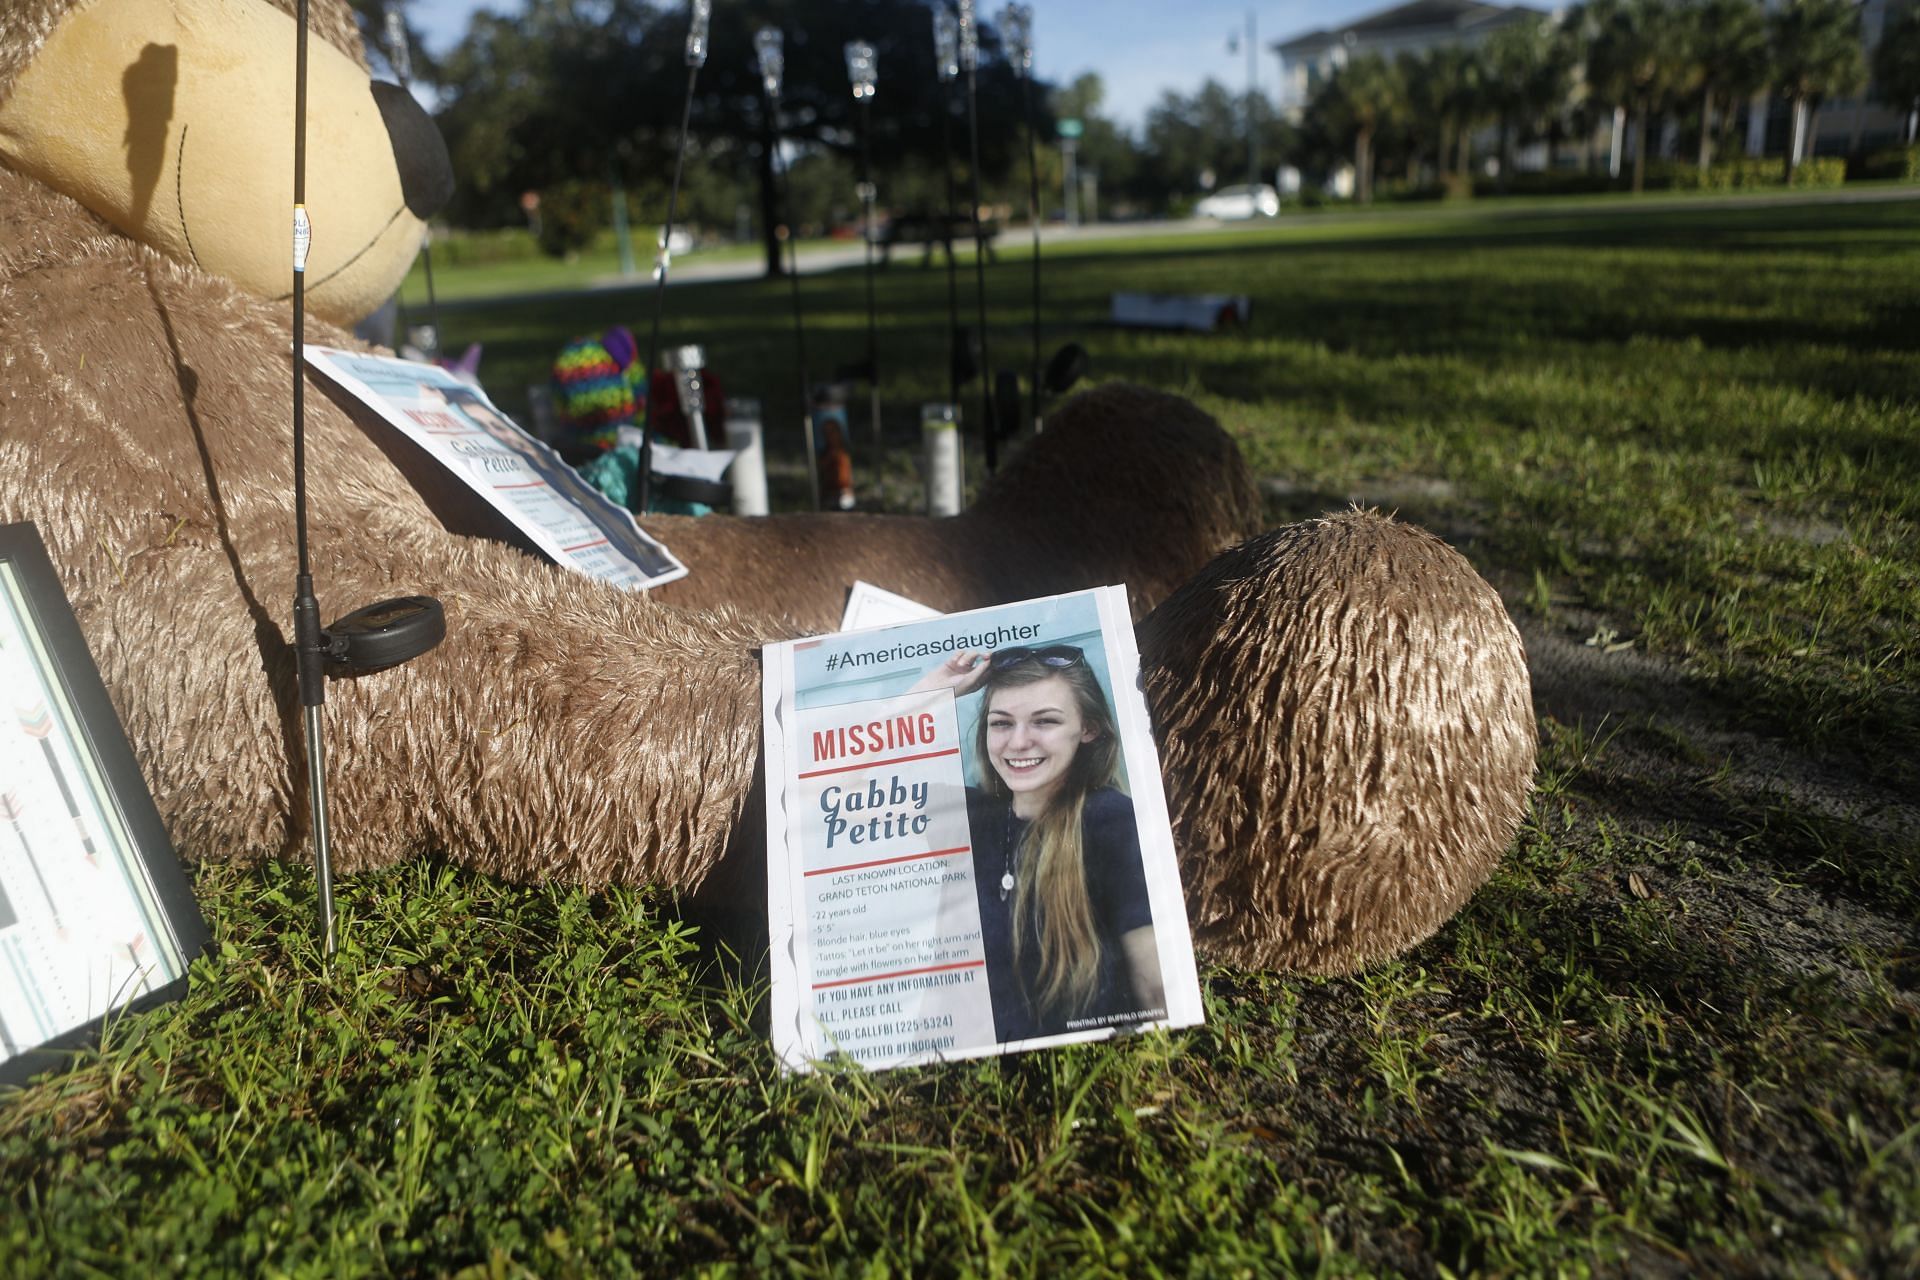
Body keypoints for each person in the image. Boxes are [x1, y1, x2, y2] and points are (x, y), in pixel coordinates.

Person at [914, 645, 1166, 1042]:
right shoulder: (971, 817)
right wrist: (932, 691)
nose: (1018, 742)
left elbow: (1156, 984)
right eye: (1001, 723)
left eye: (1044, 721)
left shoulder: (1112, 820)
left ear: (1089, 729)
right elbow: (831, 789)